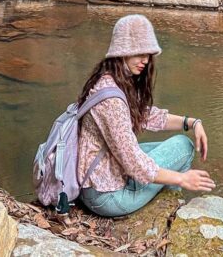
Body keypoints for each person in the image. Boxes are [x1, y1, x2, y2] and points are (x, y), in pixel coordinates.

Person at [77, 13, 215, 217]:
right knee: (183, 147)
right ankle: (170, 207)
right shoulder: (111, 100)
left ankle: (168, 200)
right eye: (139, 53)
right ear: (122, 51)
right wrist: (182, 179)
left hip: (98, 179)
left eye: (148, 54)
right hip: (106, 197)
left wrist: (192, 123)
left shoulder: (110, 80)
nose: (145, 60)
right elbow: (134, 164)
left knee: (167, 148)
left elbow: (147, 116)